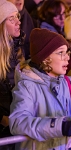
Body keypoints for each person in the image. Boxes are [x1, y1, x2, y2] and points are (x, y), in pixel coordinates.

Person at [0, 0, 24, 149]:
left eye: (17, 17)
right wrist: (2, 119)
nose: (18, 22)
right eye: (11, 18)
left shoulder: (17, 49)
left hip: (16, 121)